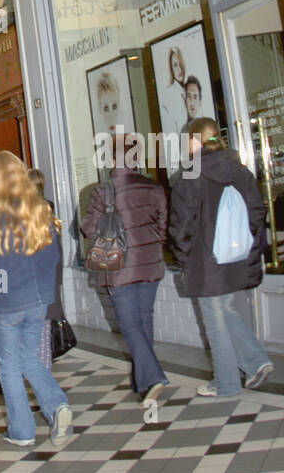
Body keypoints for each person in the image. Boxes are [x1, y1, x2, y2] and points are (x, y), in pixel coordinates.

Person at [0, 151, 72, 449]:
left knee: (9, 366)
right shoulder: (41, 210)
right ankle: (57, 406)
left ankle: (22, 431)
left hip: (6, 302)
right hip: (38, 300)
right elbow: (51, 258)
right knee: (29, 357)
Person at [170, 118, 272, 399]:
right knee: (225, 311)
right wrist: (243, 245)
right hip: (236, 258)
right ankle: (256, 361)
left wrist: (185, 258)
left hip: (206, 262)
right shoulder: (240, 169)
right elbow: (257, 212)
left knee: (215, 321)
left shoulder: (191, 174)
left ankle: (226, 383)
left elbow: (180, 226)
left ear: (194, 141)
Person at [81, 134, 169, 402]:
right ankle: (142, 382)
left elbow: (87, 229)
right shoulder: (154, 188)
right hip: (151, 265)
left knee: (130, 324)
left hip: (119, 268)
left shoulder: (104, 191)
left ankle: (153, 377)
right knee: (144, 319)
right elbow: (163, 229)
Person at [27, 168, 64, 370]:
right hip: (46, 286)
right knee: (40, 342)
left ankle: (45, 393)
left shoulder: (26, 213)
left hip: (32, 290)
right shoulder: (49, 211)